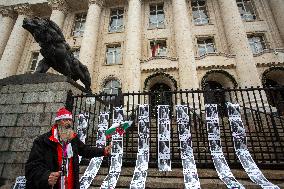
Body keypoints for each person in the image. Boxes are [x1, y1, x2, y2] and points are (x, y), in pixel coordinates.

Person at [25, 107, 112, 189]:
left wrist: (103, 151)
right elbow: (31, 168)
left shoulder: (73, 139)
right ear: (58, 123)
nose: (68, 123)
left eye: (70, 120)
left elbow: (85, 150)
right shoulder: (42, 141)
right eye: (65, 120)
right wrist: (46, 176)